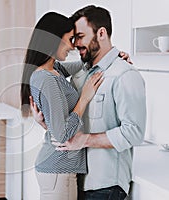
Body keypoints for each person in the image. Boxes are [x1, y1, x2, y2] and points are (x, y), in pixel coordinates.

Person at [33, 5, 147, 200]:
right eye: (73, 38)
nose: (75, 44)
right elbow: (71, 120)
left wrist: (83, 140)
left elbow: (134, 132)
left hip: (105, 185)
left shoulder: (124, 74)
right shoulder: (80, 73)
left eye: (80, 36)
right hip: (76, 178)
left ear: (101, 33)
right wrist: (47, 123)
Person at [20, 12, 104, 200]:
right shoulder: (46, 78)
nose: (73, 45)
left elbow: (85, 64)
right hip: (58, 171)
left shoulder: (54, 70)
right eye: (70, 39)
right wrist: (84, 99)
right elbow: (62, 134)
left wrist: (116, 56)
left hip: (58, 171)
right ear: (54, 40)